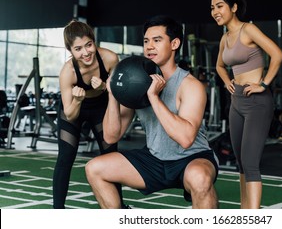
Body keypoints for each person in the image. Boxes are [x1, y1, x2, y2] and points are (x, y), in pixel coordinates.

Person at [85, 15, 219, 209]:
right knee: (95, 168)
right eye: (146, 41)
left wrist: (154, 98)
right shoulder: (136, 80)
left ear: (174, 44)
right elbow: (111, 136)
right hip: (154, 159)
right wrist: (114, 94)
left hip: (191, 158)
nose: (149, 46)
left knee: (200, 178)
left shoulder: (190, 85)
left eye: (157, 40)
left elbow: (186, 138)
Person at [211, 0, 282, 209]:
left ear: (233, 8)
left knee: (251, 163)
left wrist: (263, 84)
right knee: (241, 163)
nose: (215, 11)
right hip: (236, 102)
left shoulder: (248, 29)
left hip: (256, 102)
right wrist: (226, 81)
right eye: (212, 7)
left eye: (219, 6)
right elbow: (219, 65)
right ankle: (246, 211)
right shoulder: (225, 37)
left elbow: (278, 54)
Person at [53, 19, 127, 209]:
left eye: (88, 45)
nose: (85, 52)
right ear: (70, 51)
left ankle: (119, 208)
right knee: (66, 156)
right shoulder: (67, 72)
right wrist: (78, 100)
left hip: (101, 107)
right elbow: (69, 114)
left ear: (94, 42)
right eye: (78, 49)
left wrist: (104, 87)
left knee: (110, 155)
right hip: (75, 108)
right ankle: (57, 211)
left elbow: (118, 92)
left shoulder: (110, 59)